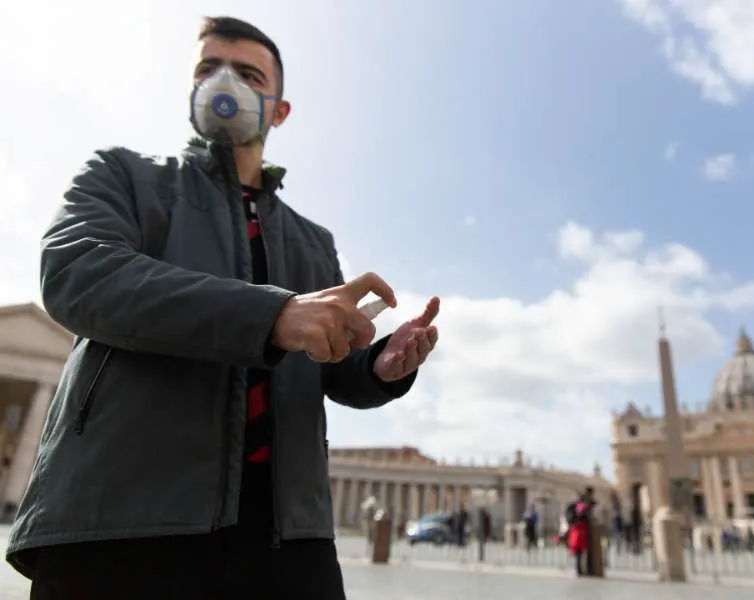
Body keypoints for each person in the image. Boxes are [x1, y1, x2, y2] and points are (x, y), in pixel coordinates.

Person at [7, 16, 440, 600]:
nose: (225, 81)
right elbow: (77, 273)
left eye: (247, 72)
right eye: (208, 68)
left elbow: (330, 365)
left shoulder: (314, 241)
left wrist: (381, 367)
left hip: (289, 535)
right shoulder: (122, 176)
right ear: (189, 89)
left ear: (279, 110)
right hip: (126, 520)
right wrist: (274, 314)